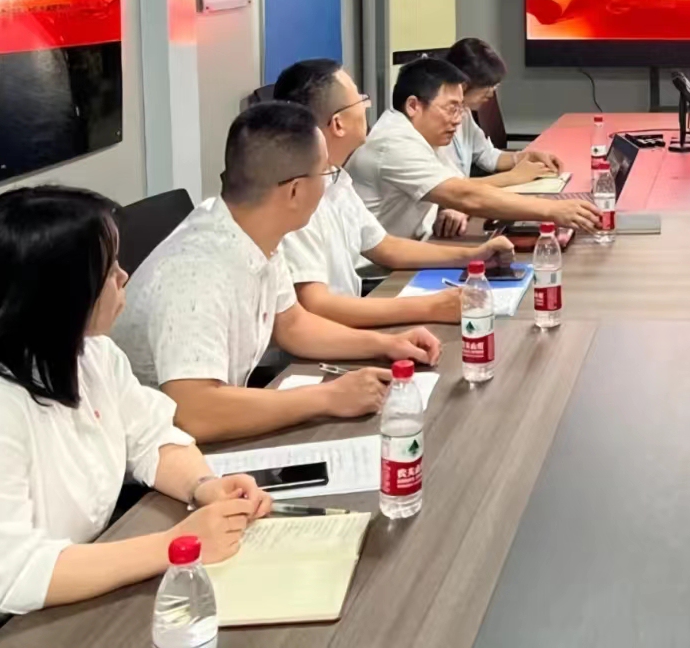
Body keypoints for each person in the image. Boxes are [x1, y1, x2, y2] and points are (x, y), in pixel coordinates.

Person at [0, 188, 272, 645]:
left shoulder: (91, 355)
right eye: (109, 272)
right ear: (61, 297)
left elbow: (152, 437)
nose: (124, 277)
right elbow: (8, 574)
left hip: (59, 597)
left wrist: (204, 486)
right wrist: (176, 545)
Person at [110, 102, 442, 443]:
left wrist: (387, 345)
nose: (328, 185)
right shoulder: (197, 273)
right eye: (325, 174)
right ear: (295, 190)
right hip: (152, 460)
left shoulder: (252, 231)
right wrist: (329, 397)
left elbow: (292, 325)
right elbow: (195, 412)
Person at [272, 58, 518, 329]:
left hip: (350, 320)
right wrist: (432, 306)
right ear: (338, 124)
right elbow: (316, 306)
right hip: (330, 333)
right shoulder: (296, 194)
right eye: (361, 102)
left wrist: (472, 257)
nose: (367, 108)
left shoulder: (335, 177)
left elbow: (385, 247)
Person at [346, 57, 600, 240]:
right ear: (414, 106)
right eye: (451, 108)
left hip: (419, 243)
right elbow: (465, 195)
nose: (458, 119)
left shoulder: (424, 135)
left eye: (461, 109)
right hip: (380, 275)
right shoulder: (394, 143)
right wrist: (552, 210)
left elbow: (459, 187)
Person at [443, 37, 564, 186]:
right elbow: (449, 188)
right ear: (463, 84)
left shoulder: (464, 113)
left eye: (494, 86)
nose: (490, 93)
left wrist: (526, 157)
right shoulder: (432, 124)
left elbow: (487, 155)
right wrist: (513, 177)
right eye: (486, 86)